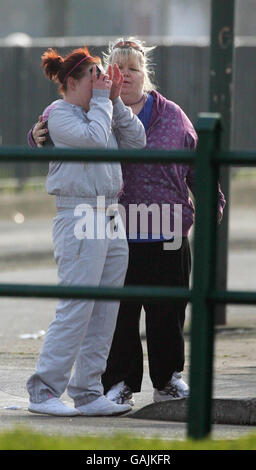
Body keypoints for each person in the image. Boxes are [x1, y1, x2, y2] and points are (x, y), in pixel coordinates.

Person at [30, 37, 226, 408]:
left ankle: (166, 379)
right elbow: (64, 133)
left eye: (133, 69)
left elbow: (191, 157)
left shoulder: (168, 114)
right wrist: (38, 135)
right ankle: (115, 381)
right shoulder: (83, 109)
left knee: (166, 310)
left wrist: (210, 200)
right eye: (115, 69)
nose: (123, 76)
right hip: (110, 219)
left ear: (145, 74)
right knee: (113, 314)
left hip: (163, 224)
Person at [26, 44, 146, 417]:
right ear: (74, 82)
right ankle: (44, 389)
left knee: (105, 310)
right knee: (77, 306)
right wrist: (101, 103)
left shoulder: (101, 111)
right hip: (78, 213)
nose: (104, 81)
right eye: (95, 76)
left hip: (110, 213)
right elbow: (94, 142)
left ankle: (88, 389)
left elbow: (138, 140)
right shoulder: (60, 114)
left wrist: (116, 104)